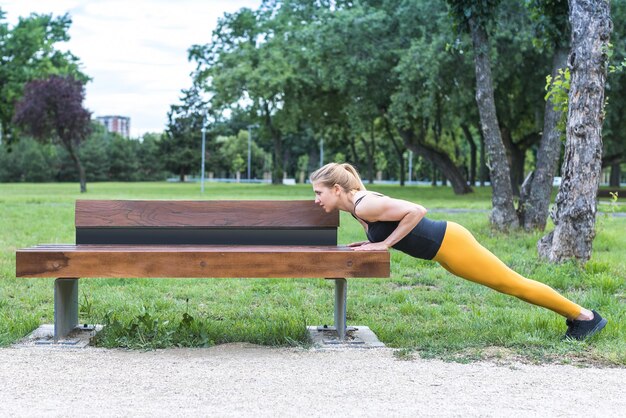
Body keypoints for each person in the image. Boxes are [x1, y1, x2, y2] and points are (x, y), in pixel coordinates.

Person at [310, 162, 608, 341]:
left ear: (336, 189)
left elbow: (417, 210)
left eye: (318, 192)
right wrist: (371, 242)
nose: (315, 200)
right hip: (443, 251)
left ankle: (584, 317)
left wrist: (384, 244)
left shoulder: (365, 204)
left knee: (512, 284)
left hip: (452, 243)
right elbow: (388, 228)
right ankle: (579, 317)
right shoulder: (358, 207)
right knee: (510, 284)